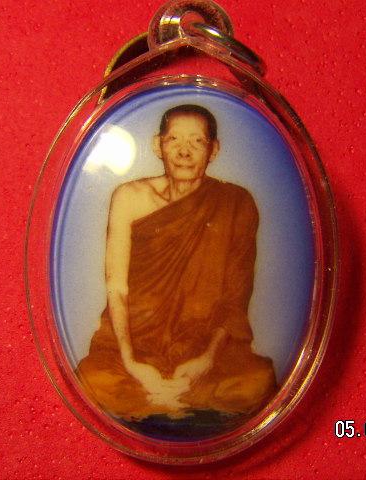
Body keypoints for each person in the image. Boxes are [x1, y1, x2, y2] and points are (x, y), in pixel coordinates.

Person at [76, 104, 277, 421]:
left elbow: (235, 297)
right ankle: (172, 397)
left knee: (256, 382)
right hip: (137, 343)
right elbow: (117, 288)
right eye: (174, 140)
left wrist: (206, 361)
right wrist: (131, 363)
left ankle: (162, 399)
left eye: (197, 141)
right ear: (158, 145)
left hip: (206, 348)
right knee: (93, 380)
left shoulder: (236, 204)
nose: (184, 152)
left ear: (214, 150)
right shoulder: (129, 197)